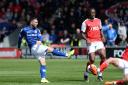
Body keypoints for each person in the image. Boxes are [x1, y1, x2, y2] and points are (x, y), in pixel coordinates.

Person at [18, 17, 73, 83]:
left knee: (43, 63)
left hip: (37, 47)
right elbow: (19, 39)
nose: (36, 23)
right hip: (34, 47)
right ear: (31, 22)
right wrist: (19, 47)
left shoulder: (37, 30)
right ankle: (67, 55)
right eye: (35, 22)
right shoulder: (24, 30)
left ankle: (43, 79)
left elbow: (40, 38)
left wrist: (40, 41)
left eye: (37, 22)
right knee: (51, 49)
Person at [81, 8, 106, 82]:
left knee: (103, 56)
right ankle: (86, 73)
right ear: (89, 13)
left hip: (99, 41)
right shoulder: (85, 22)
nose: (93, 14)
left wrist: (103, 36)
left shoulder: (98, 20)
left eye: (94, 12)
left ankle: (100, 75)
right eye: (92, 13)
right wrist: (87, 39)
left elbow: (100, 30)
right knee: (92, 60)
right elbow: (82, 33)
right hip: (91, 42)